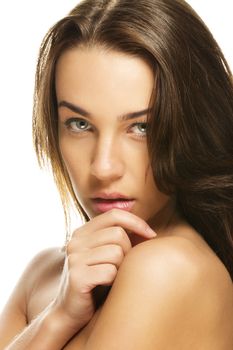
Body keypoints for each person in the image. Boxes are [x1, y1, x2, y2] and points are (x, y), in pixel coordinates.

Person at [0, 0, 232, 348]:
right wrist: (59, 316)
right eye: (79, 124)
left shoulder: (167, 268)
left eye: (142, 127)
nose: (103, 167)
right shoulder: (46, 273)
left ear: (193, 127)